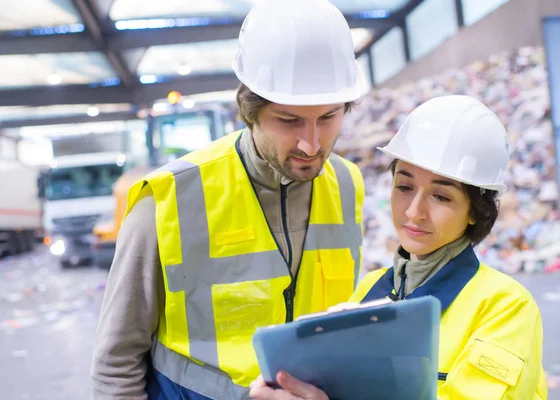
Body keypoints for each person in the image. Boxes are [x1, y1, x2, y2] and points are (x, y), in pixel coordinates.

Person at [90, 0, 368, 398]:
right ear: (248, 110)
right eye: (288, 120)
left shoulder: (346, 183)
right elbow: (116, 364)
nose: (312, 144)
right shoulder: (167, 202)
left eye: (329, 117)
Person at [249, 95, 548, 400]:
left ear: (475, 210)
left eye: (441, 197)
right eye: (404, 187)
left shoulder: (505, 307)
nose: (414, 211)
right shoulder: (370, 290)